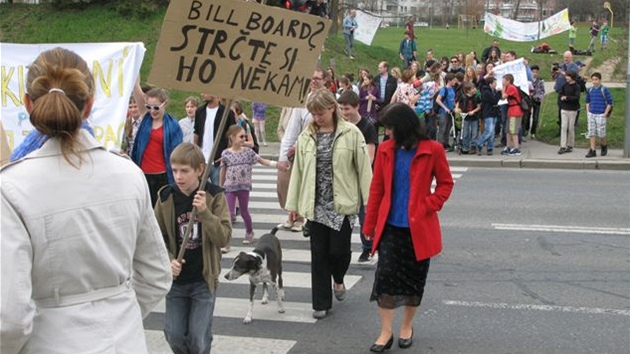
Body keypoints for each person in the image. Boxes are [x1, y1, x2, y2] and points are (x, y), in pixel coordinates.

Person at [0, 47, 172, 353]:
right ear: (89, 105)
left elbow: (9, 318)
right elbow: (157, 275)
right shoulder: (128, 174)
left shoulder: (11, 187)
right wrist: (118, 312)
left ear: (28, 104)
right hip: (125, 341)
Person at [363, 102, 453, 352]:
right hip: (391, 227)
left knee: (414, 283)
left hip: (419, 229)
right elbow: (377, 188)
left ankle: (407, 326)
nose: (387, 133)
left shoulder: (432, 149)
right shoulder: (385, 150)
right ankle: (385, 332)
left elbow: (446, 183)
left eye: (390, 128)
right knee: (385, 280)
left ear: (403, 127)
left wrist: (429, 203)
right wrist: (369, 223)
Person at [285, 88, 372, 319]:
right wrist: (293, 206)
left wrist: (370, 204)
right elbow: (299, 173)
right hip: (315, 204)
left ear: (332, 108)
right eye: (312, 113)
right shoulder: (306, 137)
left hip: (341, 204)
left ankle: (339, 278)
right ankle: (320, 303)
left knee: (339, 252)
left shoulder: (351, 133)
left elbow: (364, 170)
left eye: (320, 112)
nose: (316, 117)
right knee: (319, 254)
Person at [155, 142, 231, 354]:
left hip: (203, 279)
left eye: (185, 171)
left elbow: (223, 238)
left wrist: (205, 212)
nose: (178, 177)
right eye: (175, 170)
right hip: (177, 281)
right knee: (174, 334)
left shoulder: (214, 195)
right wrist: (169, 258)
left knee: (198, 338)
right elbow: (155, 237)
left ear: (200, 169)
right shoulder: (166, 197)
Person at [278, 68, 328, 232]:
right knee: (294, 184)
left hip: (322, 152)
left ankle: (307, 218)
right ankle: (295, 215)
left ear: (325, 80)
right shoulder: (302, 103)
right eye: (311, 78)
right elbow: (291, 131)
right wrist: (283, 156)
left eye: (317, 78)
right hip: (301, 152)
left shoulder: (331, 102)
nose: (313, 81)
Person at [220, 125, 280, 245]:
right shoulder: (226, 153)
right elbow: (223, 170)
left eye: (245, 136)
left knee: (244, 211)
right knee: (230, 214)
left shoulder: (248, 152)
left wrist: (277, 165)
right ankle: (226, 240)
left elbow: (262, 161)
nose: (244, 139)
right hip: (230, 187)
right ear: (232, 137)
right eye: (241, 136)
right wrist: (221, 186)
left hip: (244, 187)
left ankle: (249, 232)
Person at [337, 91, 378, 262]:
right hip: (345, 177)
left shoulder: (367, 126)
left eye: (347, 109)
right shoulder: (340, 126)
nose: (344, 112)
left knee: (364, 214)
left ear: (356, 107)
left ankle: (368, 248)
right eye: (341, 109)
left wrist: (356, 173)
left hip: (362, 177)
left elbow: (370, 156)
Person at [131, 83, 184, 207]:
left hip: (164, 175)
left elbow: (178, 154)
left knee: (162, 210)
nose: (152, 111)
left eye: (156, 108)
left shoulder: (173, 126)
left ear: (164, 104)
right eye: (149, 107)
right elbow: (136, 89)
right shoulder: (145, 117)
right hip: (143, 174)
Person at [194, 93, 237, 185]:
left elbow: (233, 134)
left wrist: (228, 153)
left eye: (206, 92)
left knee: (218, 192)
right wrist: (195, 151)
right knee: (198, 190)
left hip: (218, 160)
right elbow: (196, 132)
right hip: (202, 159)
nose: (202, 94)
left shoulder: (227, 113)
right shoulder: (200, 111)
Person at [585, 72, 612, 158]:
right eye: (592, 79)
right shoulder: (590, 90)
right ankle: (592, 150)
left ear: (600, 80)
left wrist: (605, 113)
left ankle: (604, 146)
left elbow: (609, 103)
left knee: (601, 133)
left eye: (596, 79)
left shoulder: (604, 90)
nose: (594, 81)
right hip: (591, 114)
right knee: (591, 132)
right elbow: (587, 101)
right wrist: (588, 112)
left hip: (601, 114)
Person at [557, 70, 581, 154]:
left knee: (570, 128)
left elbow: (576, 97)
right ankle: (562, 146)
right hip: (564, 108)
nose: (566, 77)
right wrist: (561, 99)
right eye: (566, 76)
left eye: (568, 76)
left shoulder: (576, 86)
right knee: (563, 127)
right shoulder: (564, 85)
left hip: (573, 109)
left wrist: (566, 98)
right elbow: (560, 94)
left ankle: (570, 145)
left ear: (572, 77)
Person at [455, 82, 482, 154]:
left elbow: (479, 107)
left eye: (474, 88)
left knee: (474, 133)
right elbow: (457, 103)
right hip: (465, 117)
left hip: (474, 117)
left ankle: (473, 147)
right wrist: (457, 109)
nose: (474, 89)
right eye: (472, 88)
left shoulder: (476, 97)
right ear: (468, 90)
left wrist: (473, 111)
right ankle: (465, 147)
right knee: (465, 133)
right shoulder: (463, 97)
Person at [477, 76, 500, 155]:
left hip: (494, 113)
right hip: (488, 112)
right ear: (490, 84)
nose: (496, 84)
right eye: (494, 83)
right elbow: (494, 101)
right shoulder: (486, 92)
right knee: (489, 130)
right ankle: (479, 143)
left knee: (492, 132)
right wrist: (498, 93)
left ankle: (490, 148)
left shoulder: (493, 91)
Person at [502, 74, 524, 156]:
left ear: (508, 80)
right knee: (508, 130)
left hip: (515, 111)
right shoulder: (509, 87)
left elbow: (503, 97)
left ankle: (516, 148)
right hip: (511, 111)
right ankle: (508, 147)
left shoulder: (511, 87)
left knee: (513, 131)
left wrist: (503, 87)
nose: (502, 82)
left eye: (503, 80)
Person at [435, 73, 457, 151]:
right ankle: (439, 144)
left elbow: (453, 100)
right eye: (454, 80)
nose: (455, 81)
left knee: (448, 128)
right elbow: (438, 100)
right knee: (442, 128)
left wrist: (455, 107)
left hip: (451, 112)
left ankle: (445, 143)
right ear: (449, 81)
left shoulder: (453, 89)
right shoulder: (444, 89)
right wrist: (445, 108)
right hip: (443, 112)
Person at [529, 65, 545, 139]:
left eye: (536, 72)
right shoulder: (528, 80)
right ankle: (526, 128)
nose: (534, 73)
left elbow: (542, 91)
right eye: (533, 72)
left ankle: (533, 132)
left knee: (535, 118)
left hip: (537, 100)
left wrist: (539, 97)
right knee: (527, 116)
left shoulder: (540, 81)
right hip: (529, 100)